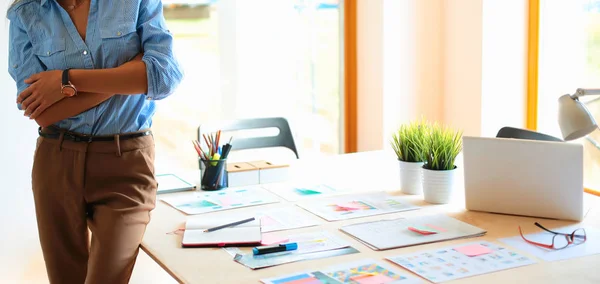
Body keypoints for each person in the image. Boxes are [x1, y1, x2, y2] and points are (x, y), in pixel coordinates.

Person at [7, 0, 183, 282]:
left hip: (126, 162)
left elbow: (162, 76)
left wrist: (66, 80)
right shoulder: (25, 12)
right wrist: (127, 74)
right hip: (56, 160)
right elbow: (42, 112)